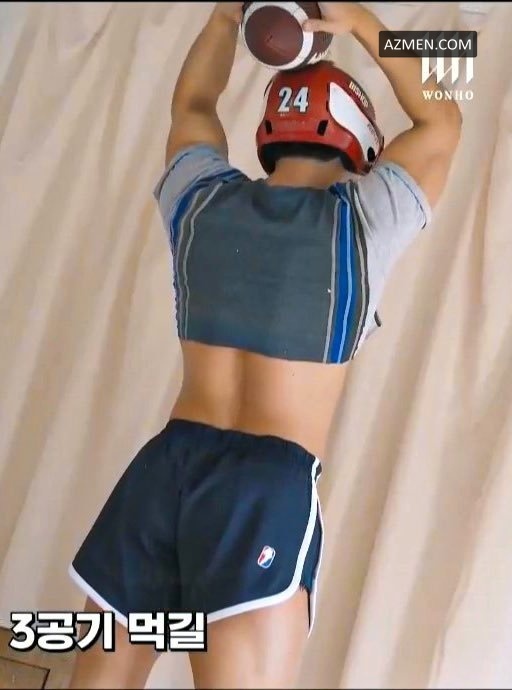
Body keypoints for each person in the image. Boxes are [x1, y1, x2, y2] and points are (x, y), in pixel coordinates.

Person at [67, 2, 461, 688]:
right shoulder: (361, 225)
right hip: (261, 491)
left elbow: (193, 103)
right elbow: (442, 119)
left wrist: (225, 19)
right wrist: (357, 18)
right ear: (362, 141)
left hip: (163, 471)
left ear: (268, 131)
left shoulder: (199, 202)